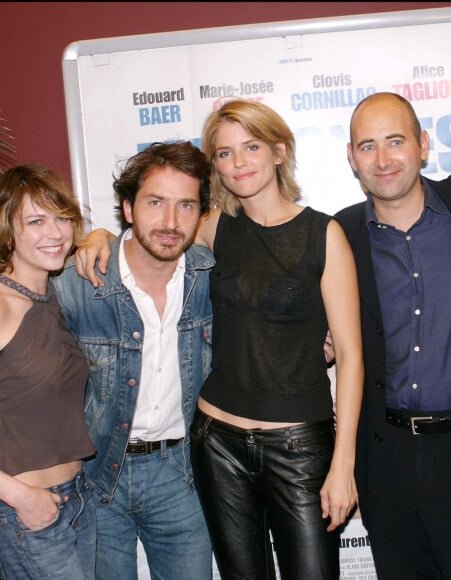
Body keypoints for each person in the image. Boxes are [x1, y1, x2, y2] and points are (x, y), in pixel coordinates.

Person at [79, 99, 364, 579]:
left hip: (300, 444)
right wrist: (99, 236)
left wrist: (343, 466)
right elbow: (153, 232)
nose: (239, 163)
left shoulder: (323, 233)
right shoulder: (212, 227)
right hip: (217, 444)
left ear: (278, 151)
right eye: (226, 153)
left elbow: (352, 357)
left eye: (251, 147)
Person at [333, 92, 451, 579]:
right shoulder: (339, 234)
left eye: (395, 141)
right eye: (367, 146)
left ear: (423, 145)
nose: (383, 158)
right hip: (387, 457)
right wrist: (109, 237)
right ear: (351, 158)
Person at [50, 141, 214, 579]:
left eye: (185, 206)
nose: (169, 221)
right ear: (127, 207)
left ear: (201, 214)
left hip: (181, 476)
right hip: (97, 475)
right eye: (155, 202)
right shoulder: (76, 285)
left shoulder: (213, 280)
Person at [0, 164, 96, 579]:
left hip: (78, 499)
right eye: (36, 221)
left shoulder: (54, 296)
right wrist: (19, 496)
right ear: (8, 230)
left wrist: (101, 237)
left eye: (62, 219)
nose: (55, 233)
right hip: (25, 512)